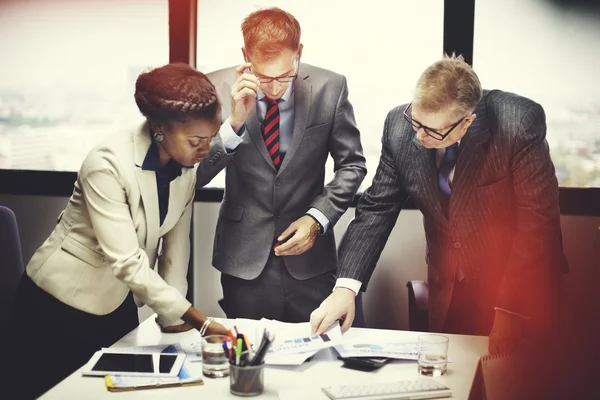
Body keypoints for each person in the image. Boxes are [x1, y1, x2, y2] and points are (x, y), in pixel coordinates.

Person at [310, 54, 567, 355]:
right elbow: (376, 209)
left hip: (517, 288)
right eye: (416, 122)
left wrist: (512, 311)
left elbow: (538, 223)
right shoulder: (399, 125)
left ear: (467, 122)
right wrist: (345, 289)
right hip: (448, 288)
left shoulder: (517, 122)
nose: (418, 137)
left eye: (432, 131)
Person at [7, 63, 227, 399]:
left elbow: (176, 250)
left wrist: (173, 317)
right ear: (159, 128)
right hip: (59, 305)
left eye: (211, 138)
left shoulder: (185, 167)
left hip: (118, 301)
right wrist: (202, 321)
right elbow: (127, 261)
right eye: (196, 140)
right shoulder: (107, 163)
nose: (206, 149)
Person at [196, 7, 367, 323]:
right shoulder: (214, 88)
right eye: (263, 77)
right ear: (245, 55)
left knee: (321, 356)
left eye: (284, 76)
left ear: (299, 52)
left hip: (312, 259)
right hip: (243, 259)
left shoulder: (331, 87)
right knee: (250, 360)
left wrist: (317, 219)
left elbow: (352, 165)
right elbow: (194, 177)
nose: (274, 89)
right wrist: (233, 125)